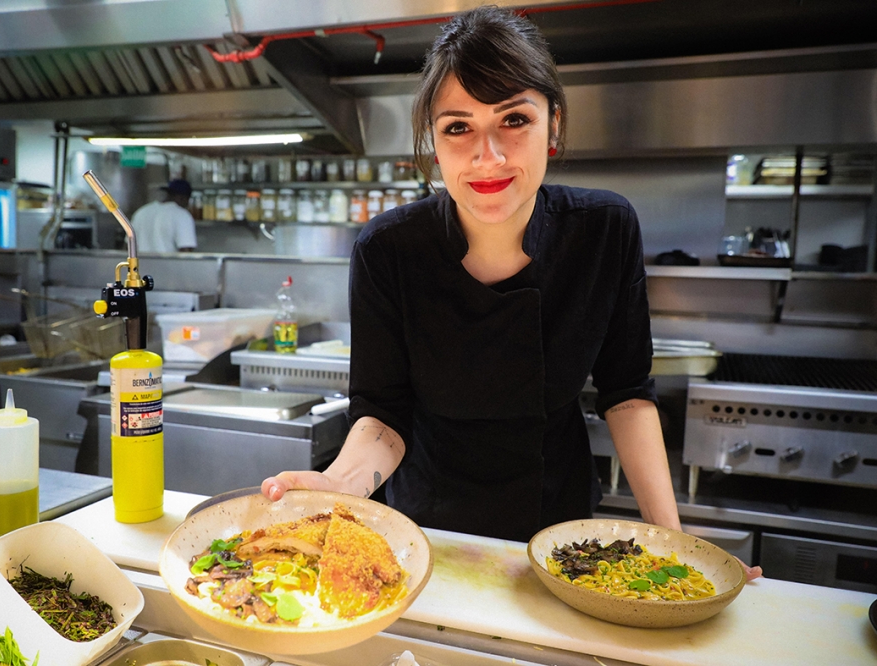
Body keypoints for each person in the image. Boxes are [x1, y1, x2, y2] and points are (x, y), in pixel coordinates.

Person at [261, 7, 760, 577]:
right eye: (458, 127)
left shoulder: (603, 229)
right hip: (427, 533)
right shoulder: (388, 249)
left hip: (562, 534)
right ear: (435, 142)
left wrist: (676, 548)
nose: (488, 155)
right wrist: (338, 485)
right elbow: (383, 413)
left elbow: (627, 394)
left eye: (514, 120)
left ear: (555, 125)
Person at [130, 178, 197, 253]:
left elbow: (128, 246)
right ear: (183, 198)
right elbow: (186, 251)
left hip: (141, 264)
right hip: (168, 264)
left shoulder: (141, 212)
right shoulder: (182, 215)